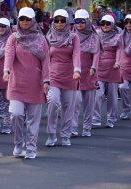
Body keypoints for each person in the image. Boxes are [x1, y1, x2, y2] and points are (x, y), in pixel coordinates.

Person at [3, 7, 50, 159]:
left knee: (33, 119)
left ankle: (31, 147)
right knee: (16, 114)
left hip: (35, 84)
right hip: (16, 83)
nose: (24, 22)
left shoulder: (41, 39)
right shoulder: (13, 37)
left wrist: (46, 80)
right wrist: (6, 70)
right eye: (22, 19)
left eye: (27, 19)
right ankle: (18, 143)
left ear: (33, 21)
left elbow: (46, 61)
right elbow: (9, 55)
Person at [45, 9, 81, 147]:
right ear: (53, 21)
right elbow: (45, 58)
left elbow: (77, 54)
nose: (59, 23)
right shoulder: (48, 37)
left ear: (67, 22)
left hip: (70, 75)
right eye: (56, 20)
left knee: (68, 106)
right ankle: (51, 134)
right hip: (53, 74)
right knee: (53, 102)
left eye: (62, 21)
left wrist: (77, 70)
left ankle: (66, 135)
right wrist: (44, 77)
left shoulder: (73, 37)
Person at [71, 9, 100, 137]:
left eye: (82, 21)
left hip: (89, 73)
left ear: (87, 21)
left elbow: (97, 54)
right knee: (75, 102)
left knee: (89, 104)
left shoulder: (94, 36)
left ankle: (87, 128)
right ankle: (73, 127)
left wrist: (94, 67)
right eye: (77, 21)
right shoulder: (71, 35)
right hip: (75, 74)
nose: (79, 23)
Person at [93, 15, 122, 128]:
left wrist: (118, 63)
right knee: (98, 94)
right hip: (99, 67)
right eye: (103, 23)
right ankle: (95, 117)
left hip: (113, 68)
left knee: (112, 96)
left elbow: (120, 51)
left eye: (107, 23)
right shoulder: (96, 35)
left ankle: (112, 118)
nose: (105, 26)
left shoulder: (118, 37)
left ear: (113, 24)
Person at [120, 14, 131, 120]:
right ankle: (127, 110)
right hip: (124, 66)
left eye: (130, 22)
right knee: (123, 87)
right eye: (126, 22)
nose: (129, 24)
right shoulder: (121, 35)